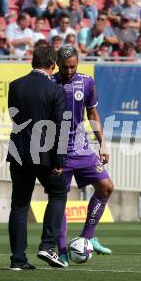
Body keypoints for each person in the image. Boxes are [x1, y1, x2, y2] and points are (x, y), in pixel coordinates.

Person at [51, 45, 114, 266]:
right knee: (58, 200)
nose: (70, 71)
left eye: (73, 66)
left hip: (82, 149)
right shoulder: (50, 84)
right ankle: (61, 251)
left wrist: (102, 143)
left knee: (106, 186)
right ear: (57, 63)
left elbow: (93, 113)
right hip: (58, 152)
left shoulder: (87, 81)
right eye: (66, 67)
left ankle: (88, 238)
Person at [7, 46, 68, 270]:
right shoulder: (55, 90)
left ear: (33, 61)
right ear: (52, 65)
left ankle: (17, 259)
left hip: (19, 150)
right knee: (59, 193)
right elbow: (61, 127)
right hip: (44, 153)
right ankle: (48, 245)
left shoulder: (15, 85)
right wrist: (60, 160)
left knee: (19, 205)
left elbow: (13, 115)